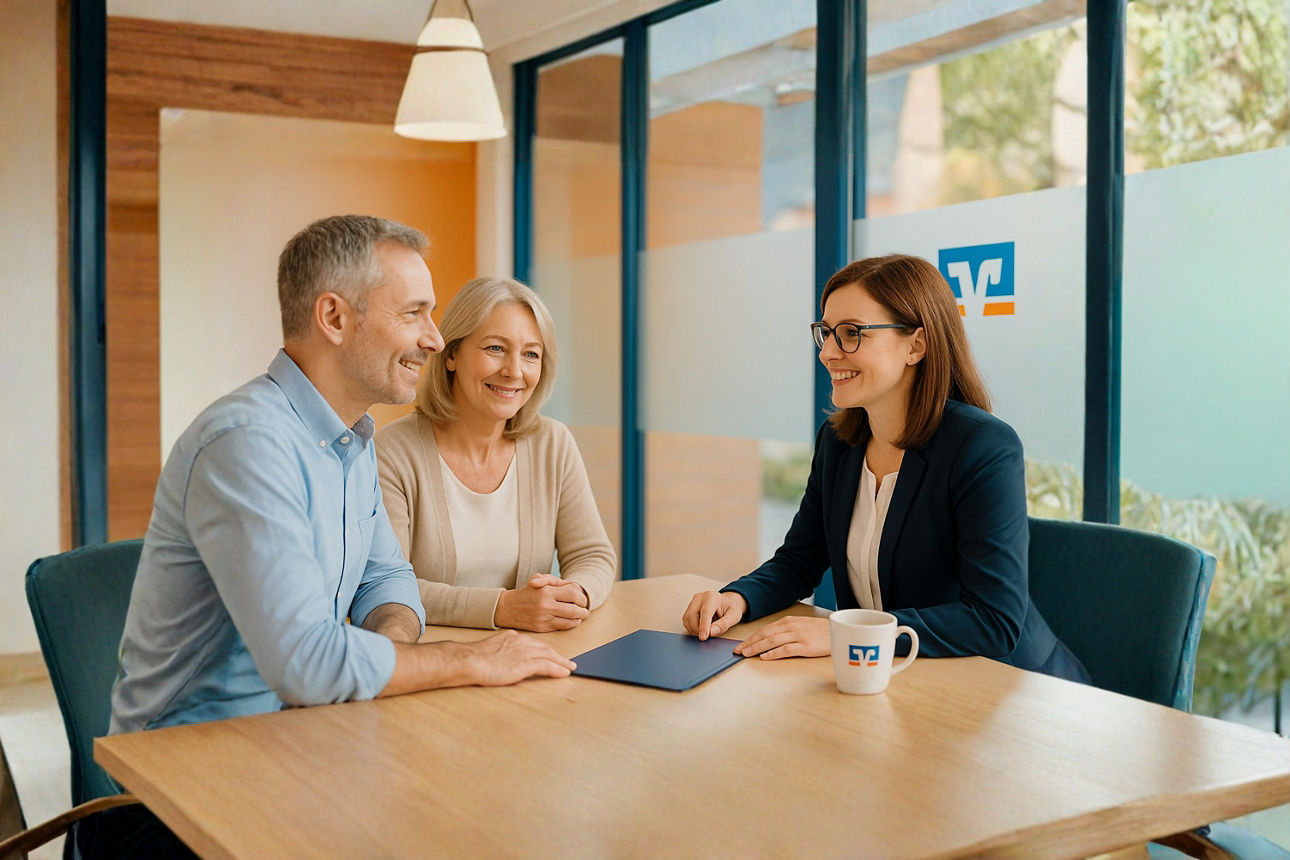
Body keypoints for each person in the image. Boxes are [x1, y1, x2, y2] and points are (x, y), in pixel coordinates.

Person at [96, 216, 574, 858]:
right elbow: (306, 664)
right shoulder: (248, 443)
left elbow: (387, 581)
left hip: (301, 744)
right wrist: (470, 660)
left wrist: (382, 656)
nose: (434, 339)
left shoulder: (350, 439)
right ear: (334, 317)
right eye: (414, 313)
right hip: (173, 794)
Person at [681, 254, 1088, 682]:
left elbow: (993, 620)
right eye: (826, 333)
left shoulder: (982, 447)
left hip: (1007, 686)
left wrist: (845, 634)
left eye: (851, 333)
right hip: (891, 676)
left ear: (916, 345)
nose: (828, 353)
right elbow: (799, 560)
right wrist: (738, 599)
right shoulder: (838, 442)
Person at [376, 276, 615, 631]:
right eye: (495, 348)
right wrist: (501, 608)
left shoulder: (553, 443)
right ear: (451, 354)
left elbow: (592, 555)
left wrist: (574, 594)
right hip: (433, 654)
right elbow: (384, 587)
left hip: (529, 651)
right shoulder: (392, 453)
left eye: (531, 354)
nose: (514, 371)